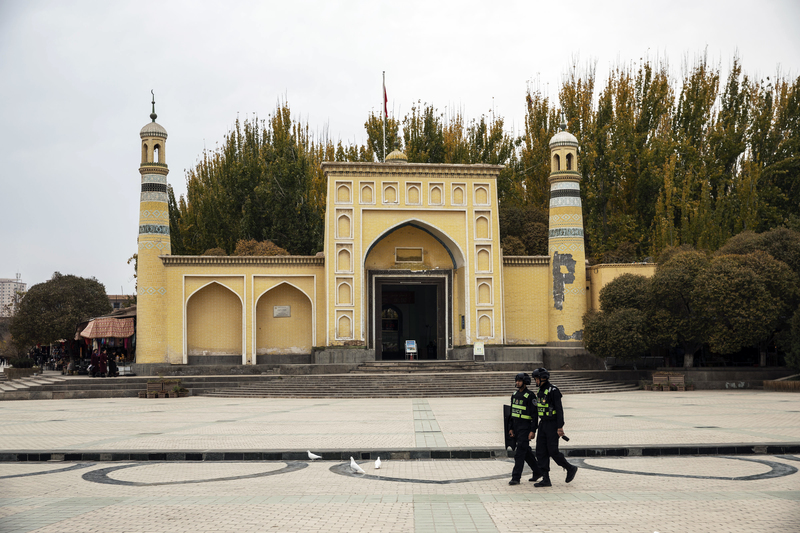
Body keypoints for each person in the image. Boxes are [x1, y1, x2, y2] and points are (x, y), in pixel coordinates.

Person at [531, 367, 578, 487]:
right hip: (543, 424)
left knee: (553, 451)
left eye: (537, 379)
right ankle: (546, 478)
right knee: (541, 452)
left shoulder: (553, 390)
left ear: (543, 378)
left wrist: (560, 427)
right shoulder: (540, 391)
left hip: (552, 425)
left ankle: (570, 468)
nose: (535, 381)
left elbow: (559, 409)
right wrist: (534, 428)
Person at [507, 372, 543, 485]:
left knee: (519, 453)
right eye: (516, 381)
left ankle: (516, 477)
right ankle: (537, 471)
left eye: (519, 381)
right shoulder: (514, 395)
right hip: (516, 427)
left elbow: (534, 415)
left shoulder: (530, 396)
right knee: (526, 451)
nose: (517, 383)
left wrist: (533, 430)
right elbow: (512, 414)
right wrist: (510, 428)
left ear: (525, 382)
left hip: (525, 428)